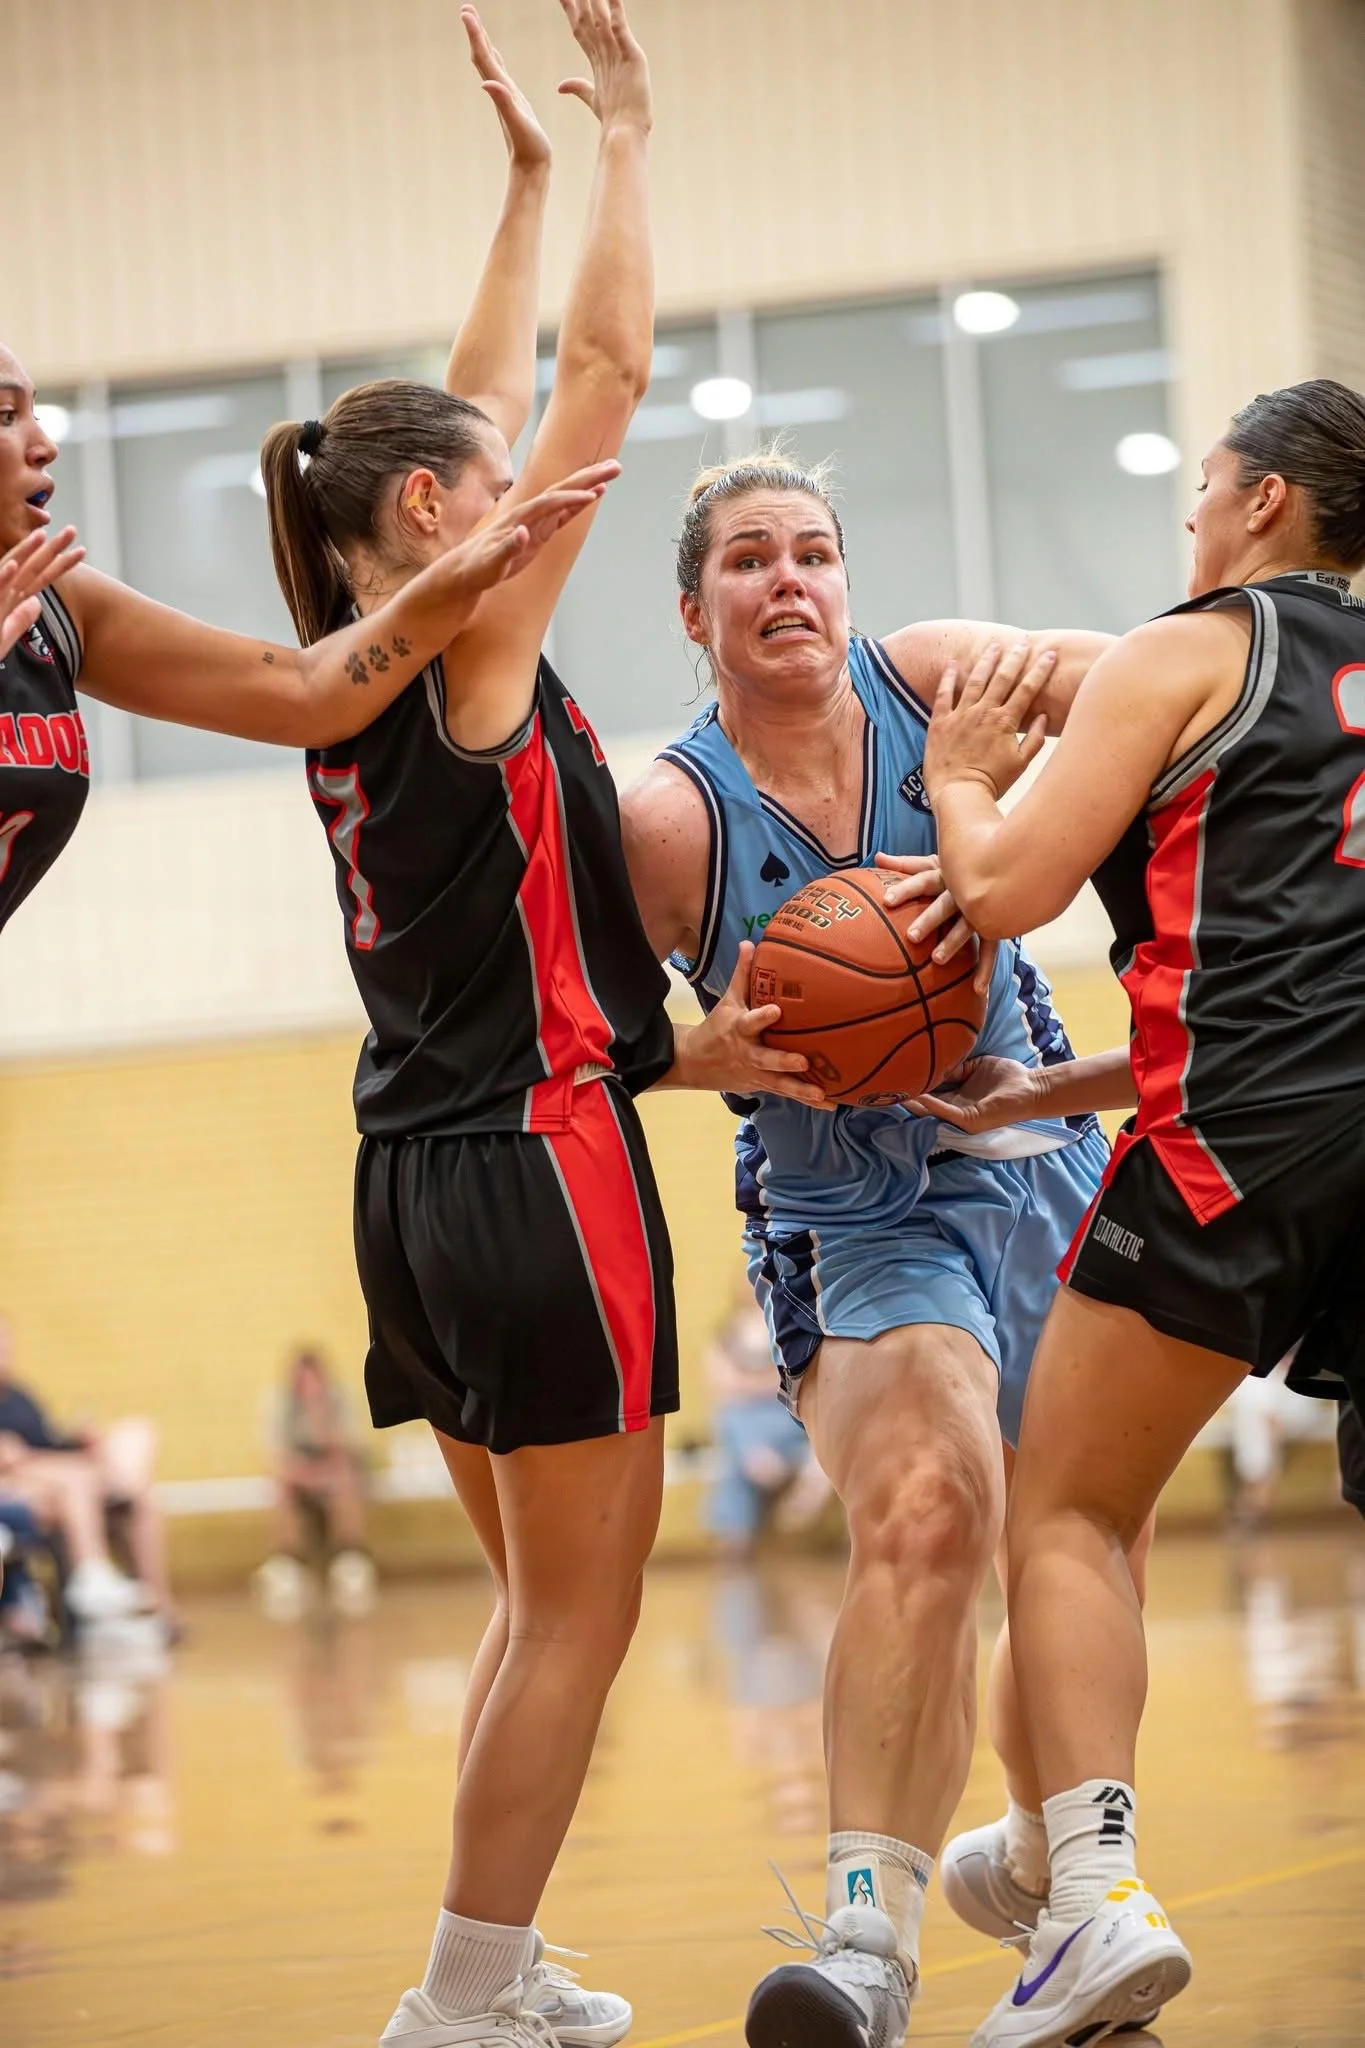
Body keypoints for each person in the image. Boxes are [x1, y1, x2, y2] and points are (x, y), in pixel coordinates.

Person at [260, 11, 814, 2048]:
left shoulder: (361, 649)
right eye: (491, 486)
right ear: (435, 511)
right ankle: (457, 1998)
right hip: (536, 1174)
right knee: (584, 1612)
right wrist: (628, 137)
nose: (529, 496)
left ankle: (492, 1966)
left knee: (528, 1607)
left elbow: (481, 401)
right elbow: (603, 373)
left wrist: (520, 183)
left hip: (413, 1176)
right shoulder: (480, 632)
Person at [620, 449, 1115, 2048]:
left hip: (1040, 1148)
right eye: (748, 559)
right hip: (856, 1208)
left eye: (814, 551)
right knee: (925, 1505)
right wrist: (690, 1054)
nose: (789, 580)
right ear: (692, 610)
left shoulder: (937, 679)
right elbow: (542, 1030)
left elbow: (1162, 688)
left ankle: (1046, 1871)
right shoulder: (669, 819)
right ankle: (863, 1949)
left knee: (1079, 1542)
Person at [914, 377, 1365, 2046]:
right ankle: (1050, 1865)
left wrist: (960, 775)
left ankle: (1090, 1896)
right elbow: (1302, 973)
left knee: (1069, 1514)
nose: (1193, 511)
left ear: (1263, 501)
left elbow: (1002, 889)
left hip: (1237, 1143)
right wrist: (1051, 1088)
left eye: (1206, 483)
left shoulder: (1187, 650)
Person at [0, 1314, 175, 1624]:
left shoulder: (21, 1397)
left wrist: (77, 1440)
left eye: (7, 1343)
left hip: (49, 1471)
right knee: (77, 1479)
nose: (6, 1351)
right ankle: (93, 1572)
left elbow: (47, 1441)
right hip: (23, 1484)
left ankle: (157, 1604)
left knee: (138, 1446)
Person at [704, 1290, 831, 1555]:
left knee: (737, 1426)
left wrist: (749, 1383)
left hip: (786, 1418)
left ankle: (777, 1472)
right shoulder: (727, 1335)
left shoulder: (792, 1327)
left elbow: (797, 1378)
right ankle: (759, 1462)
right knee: (731, 1417)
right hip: (748, 1423)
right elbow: (723, 1383)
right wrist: (767, 1382)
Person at [259, 1346, 374, 1620]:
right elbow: (276, 1459)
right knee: (281, 1487)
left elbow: (350, 1452)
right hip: (300, 1475)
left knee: (346, 1479)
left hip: (332, 1472)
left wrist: (319, 1418)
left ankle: (349, 1559)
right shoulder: (279, 1403)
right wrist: (308, 1476)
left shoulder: (339, 1399)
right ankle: (288, 1562)